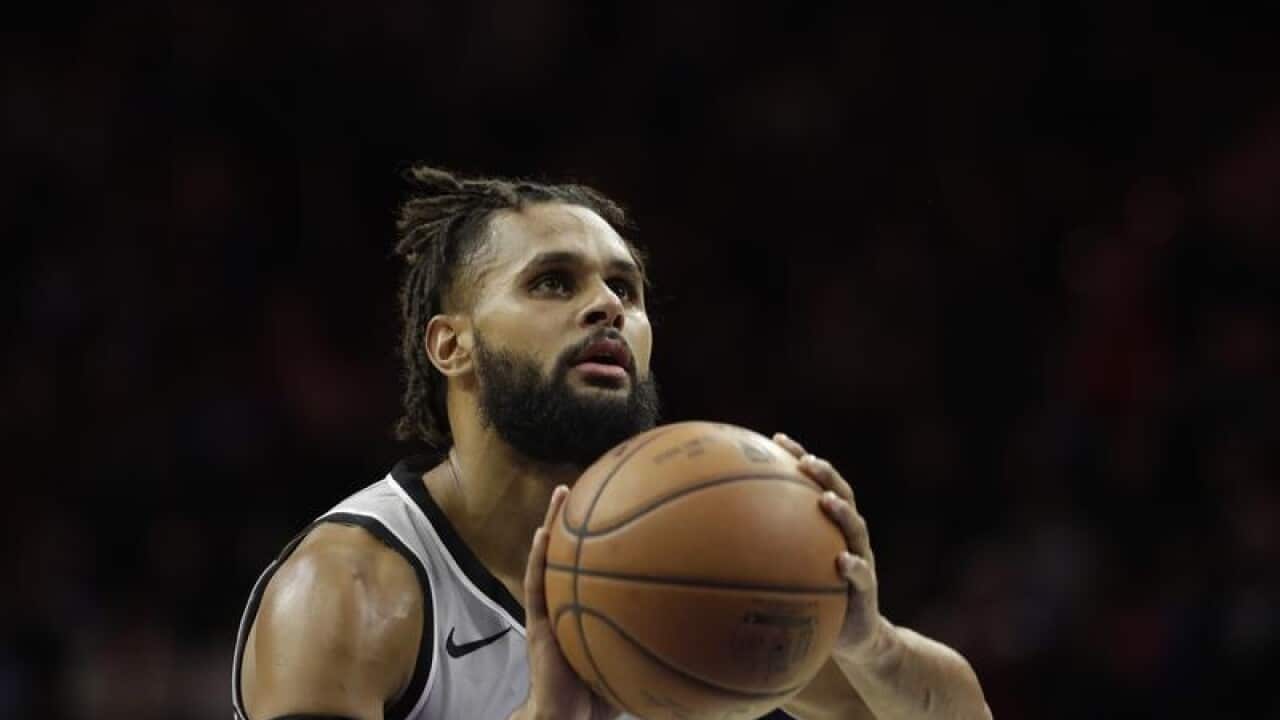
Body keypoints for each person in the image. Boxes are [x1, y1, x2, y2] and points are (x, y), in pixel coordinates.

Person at [232, 166, 992, 720]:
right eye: (554, 283)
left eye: (624, 290)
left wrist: (870, 645)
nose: (606, 307)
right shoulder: (348, 588)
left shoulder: (693, 569)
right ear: (450, 345)